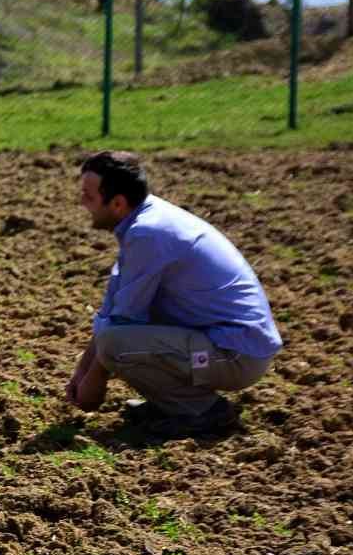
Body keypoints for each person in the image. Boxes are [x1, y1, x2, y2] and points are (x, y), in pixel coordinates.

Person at [65, 151, 282, 438]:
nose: (82, 202)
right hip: (219, 344)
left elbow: (120, 327)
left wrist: (93, 384)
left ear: (117, 203)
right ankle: (172, 403)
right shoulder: (145, 221)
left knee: (119, 344)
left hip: (235, 355)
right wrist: (80, 375)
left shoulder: (147, 234)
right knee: (117, 340)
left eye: (89, 196)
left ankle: (203, 411)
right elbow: (112, 312)